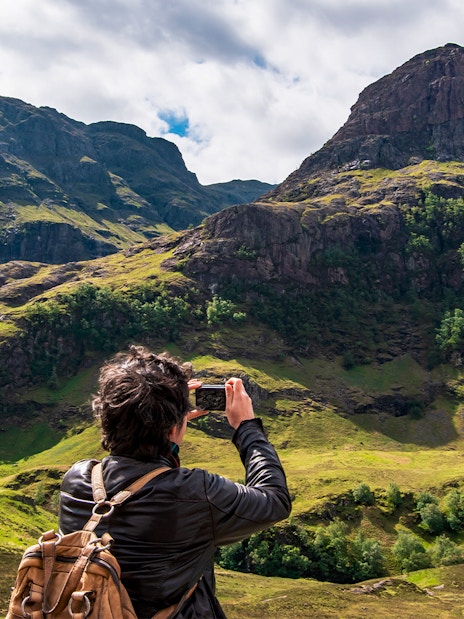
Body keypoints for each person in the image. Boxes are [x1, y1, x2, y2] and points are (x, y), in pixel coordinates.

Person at [59, 345, 291, 618]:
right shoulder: (196, 493)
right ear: (172, 427)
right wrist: (247, 428)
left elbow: (136, 472)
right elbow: (274, 500)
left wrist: (165, 432)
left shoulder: (76, 479)